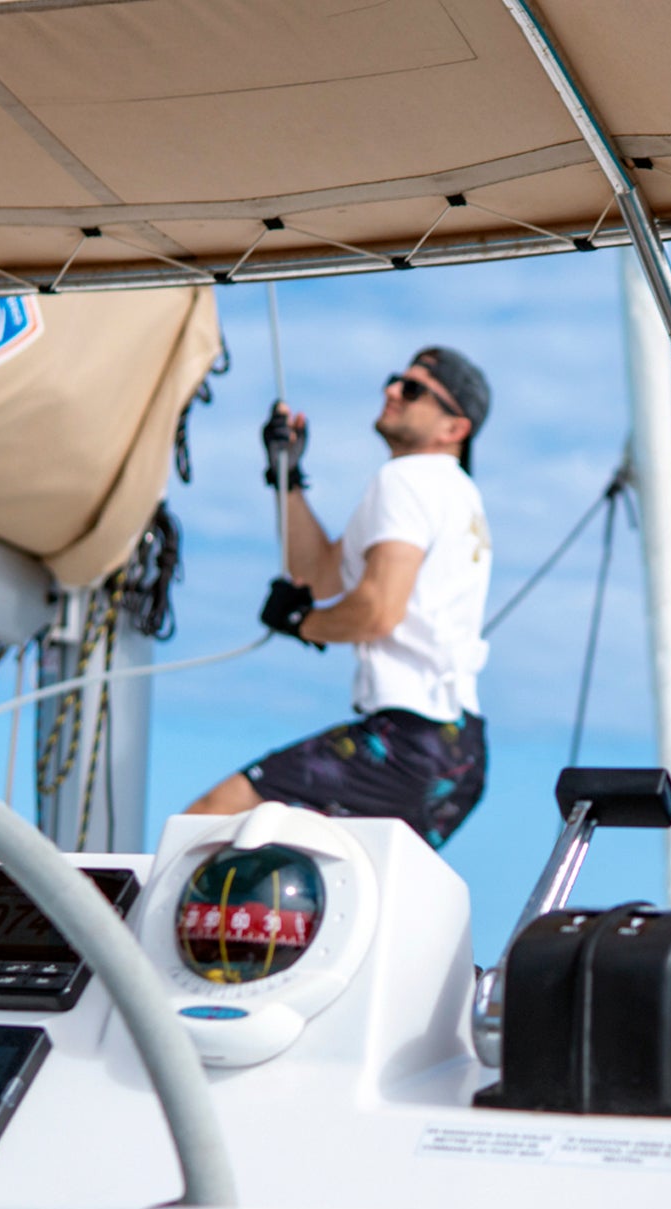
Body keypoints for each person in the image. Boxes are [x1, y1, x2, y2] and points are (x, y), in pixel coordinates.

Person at [185, 347, 494, 849]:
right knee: (351, 897)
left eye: (414, 390)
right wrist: (286, 475)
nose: (392, 391)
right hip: (457, 757)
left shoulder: (407, 479)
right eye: (396, 380)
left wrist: (304, 623)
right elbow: (320, 574)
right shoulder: (458, 494)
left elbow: (376, 610)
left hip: (406, 740)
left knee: (208, 822)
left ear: (454, 429)